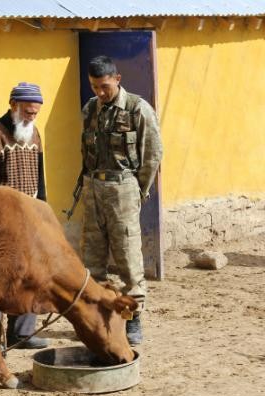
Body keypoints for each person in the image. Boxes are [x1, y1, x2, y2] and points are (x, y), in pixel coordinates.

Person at [79, 55, 163, 345]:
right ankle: (98, 315)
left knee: (128, 256)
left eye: (104, 86)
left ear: (117, 79)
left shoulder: (138, 108)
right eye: (94, 86)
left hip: (123, 188)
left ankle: (133, 317)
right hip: (93, 187)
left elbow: (152, 154)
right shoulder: (90, 109)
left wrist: (138, 189)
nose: (100, 92)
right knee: (92, 258)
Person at [0, 82, 51, 353]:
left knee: (30, 274)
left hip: (30, 219)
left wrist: (43, 211)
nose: (31, 117)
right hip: (1, 222)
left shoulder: (35, 134)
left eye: (35, 113)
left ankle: (22, 334)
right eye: (28, 111)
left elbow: (40, 179)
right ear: (13, 105)